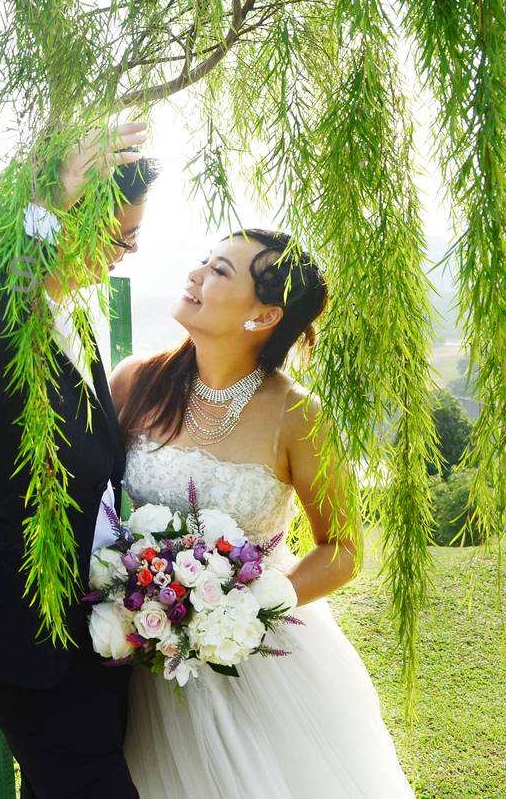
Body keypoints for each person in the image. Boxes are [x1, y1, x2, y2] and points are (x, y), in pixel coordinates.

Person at [111, 229, 414, 797]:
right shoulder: (137, 382)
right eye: (204, 260)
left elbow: (342, 549)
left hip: (260, 657)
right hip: (147, 649)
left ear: (263, 316)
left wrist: (246, 608)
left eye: (221, 271)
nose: (196, 274)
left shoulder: (299, 415)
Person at [0, 121, 157, 798]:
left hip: (89, 634)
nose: (125, 255)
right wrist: (46, 199)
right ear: (61, 221)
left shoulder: (74, 309)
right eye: (116, 237)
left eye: (135, 239)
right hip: (23, 641)